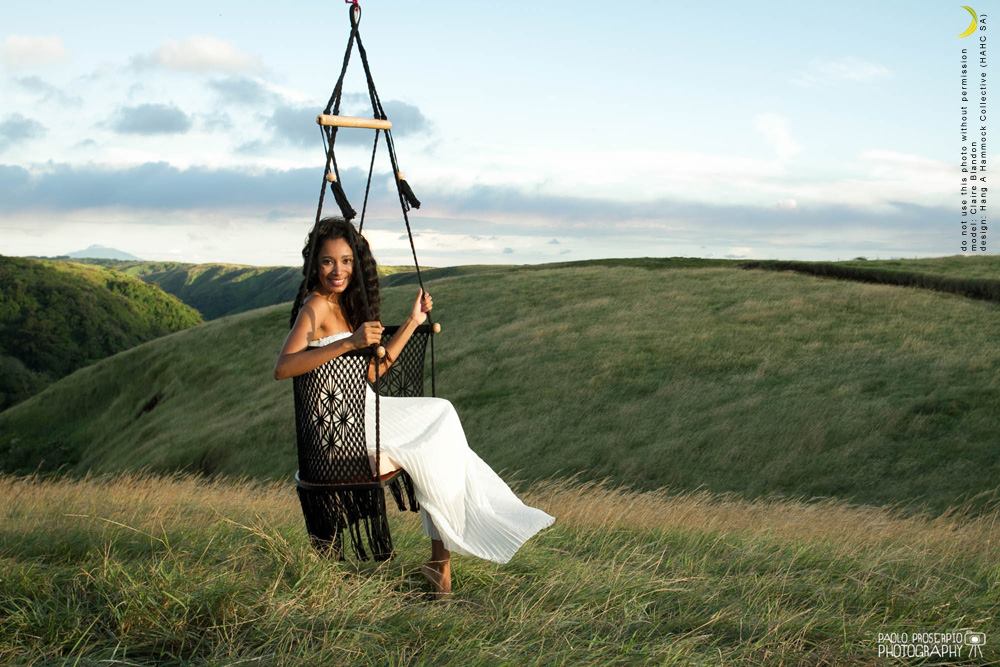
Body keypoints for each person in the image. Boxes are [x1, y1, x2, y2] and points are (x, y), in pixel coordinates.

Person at [273, 216, 555, 597]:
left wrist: (412, 321)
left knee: (441, 417)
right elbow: (284, 367)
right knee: (438, 432)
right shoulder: (316, 307)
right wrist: (348, 343)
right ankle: (441, 564)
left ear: (356, 264)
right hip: (341, 426)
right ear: (314, 265)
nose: (337, 270)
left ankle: (441, 562)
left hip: (363, 405)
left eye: (345, 261)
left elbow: (372, 371)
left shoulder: (343, 305)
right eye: (327, 261)